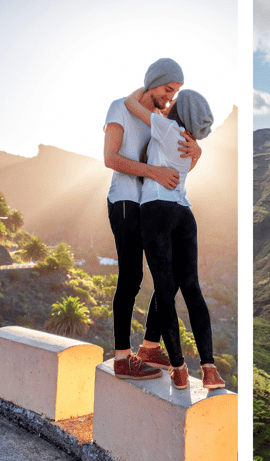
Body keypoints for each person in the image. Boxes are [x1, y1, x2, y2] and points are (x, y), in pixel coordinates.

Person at [103, 58, 201, 380]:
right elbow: (110, 158)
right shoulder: (119, 108)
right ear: (153, 83)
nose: (170, 97)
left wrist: (195, 154)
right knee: (131, 277)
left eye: (175, 93)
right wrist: (153, 172)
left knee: (168, 278)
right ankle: (122, 358)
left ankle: (148, 346)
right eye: (168, 89)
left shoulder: (159, 122)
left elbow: (176, 168)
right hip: (125, 201)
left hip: (152, 205)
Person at [125, 87, 225, 390]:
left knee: (165, 289)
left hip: (157, 209)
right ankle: (209, 369)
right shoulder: (190, 142)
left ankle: (179, 369)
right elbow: (186, 169)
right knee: (192, 288)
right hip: (184, 213)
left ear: (180, 110)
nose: (169, 102)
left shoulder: (167, 127)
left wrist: (154, 84)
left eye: (174, 99)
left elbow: (131, 103)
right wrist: (199, 152)